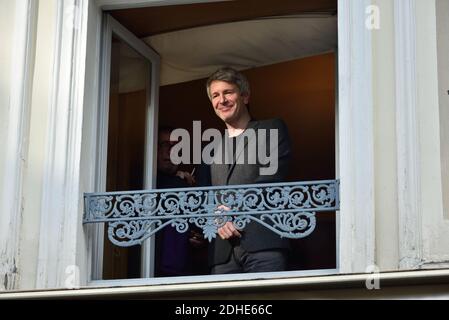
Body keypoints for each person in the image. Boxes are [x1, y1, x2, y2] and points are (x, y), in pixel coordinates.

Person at [206, 67, 292, 274]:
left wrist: (232, 208)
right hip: (223, 251)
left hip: (263, 243)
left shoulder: (270, 128)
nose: (222, 100)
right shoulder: (211, 147)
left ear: (244, 96)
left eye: (228, 92)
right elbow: (205, 195)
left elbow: (272, 179)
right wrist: (218, 217)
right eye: (216, 95)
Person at [155, 126, 200, 277]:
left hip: (185, 274)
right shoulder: (144, 178)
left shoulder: (187, 184)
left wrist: (197, 237)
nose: (171, 150)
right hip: (151, 273)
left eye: (176, 146)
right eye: (165, 145)